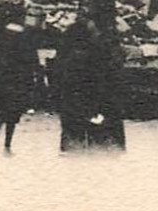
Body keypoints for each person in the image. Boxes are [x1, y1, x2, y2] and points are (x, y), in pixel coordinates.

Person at [52, 13, 125, 152]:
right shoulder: (94, 50)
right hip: (91, 96)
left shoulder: (69, 52)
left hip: (75, 98)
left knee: (75, 130)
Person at [0, 11, 42, 153]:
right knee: (13, 113)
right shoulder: (26, 36)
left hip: (3, 77)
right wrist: (36, 74)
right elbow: (32, 59)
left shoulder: (2, 35)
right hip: (19, 79)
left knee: (1, 111)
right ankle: (7, 145)